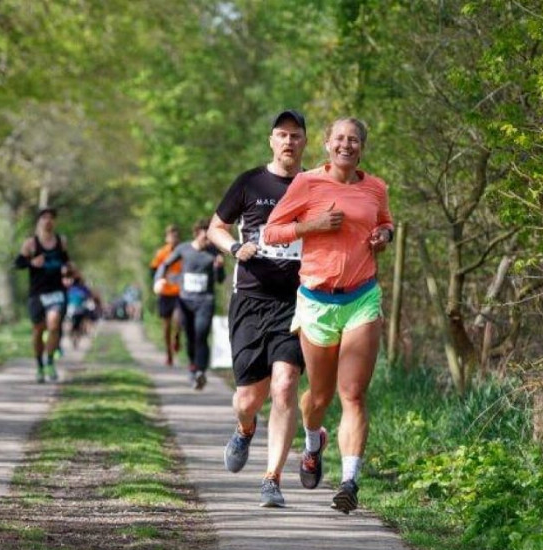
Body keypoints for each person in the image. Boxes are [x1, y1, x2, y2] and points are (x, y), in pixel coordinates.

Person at [262, 117, 394, 514]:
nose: (346, 146)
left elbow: (385, 223)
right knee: (317, 398)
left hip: (361, 297)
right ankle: (312, 439)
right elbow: (271, 232)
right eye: (339, 139)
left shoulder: (376, 188)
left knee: (352, 393)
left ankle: (350, 481)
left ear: (362, 148)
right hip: (318, 302)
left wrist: (384, 236)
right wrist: (313, 225)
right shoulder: (307, 184)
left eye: (354, 140)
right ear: (326, 145)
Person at [206, 109, 308, 508]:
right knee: (249, 398)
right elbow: (217, 226)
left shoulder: (313, 183)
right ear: (271, 140)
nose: (288, 141)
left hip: (296, 301)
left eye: (295, 135)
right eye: (281, 135)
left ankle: (272, 479)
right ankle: (245, 429)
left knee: (284, 385)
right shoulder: (250, 182)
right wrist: (234, 247)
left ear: (304, 142)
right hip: (249, 298)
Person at [154, 218, 224, 390]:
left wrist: (219, 268)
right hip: (185, 301)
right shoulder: (183, 249)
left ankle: (200, 371)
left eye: (210, 238)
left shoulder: (214, 252)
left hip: (205, 301)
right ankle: (193, 368)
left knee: (201, 335)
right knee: (190, 337)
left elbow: (220, 280)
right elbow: (165, 264)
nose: (208, 241)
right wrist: (159, 279)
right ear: (196, 234)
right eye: (205, 237)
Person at [14, 207, 75, 383]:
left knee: (54, 325)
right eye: (44, 218)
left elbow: (65, 260)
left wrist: (69, 271)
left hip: (56, 291)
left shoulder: (61, 241)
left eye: (51, 218)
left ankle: (50, 362)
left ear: (54, 222)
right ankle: (39, 365)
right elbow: (18, 264)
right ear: (39, 222)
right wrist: (31, 262)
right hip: (37, 293)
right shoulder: (31, 243)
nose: (48, 221)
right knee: (38, 330)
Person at [149, 225, 185, 366]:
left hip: (179, 293)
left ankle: (177, 338)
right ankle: (168, 354)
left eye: (176, 237)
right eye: (171, 236)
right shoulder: (162, 253)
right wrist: (159, 279)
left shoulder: (183, 252)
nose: (174, 239)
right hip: (165, 293)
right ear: (167, 238)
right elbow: (152, 270)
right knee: (166, 327)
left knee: (178, 320)